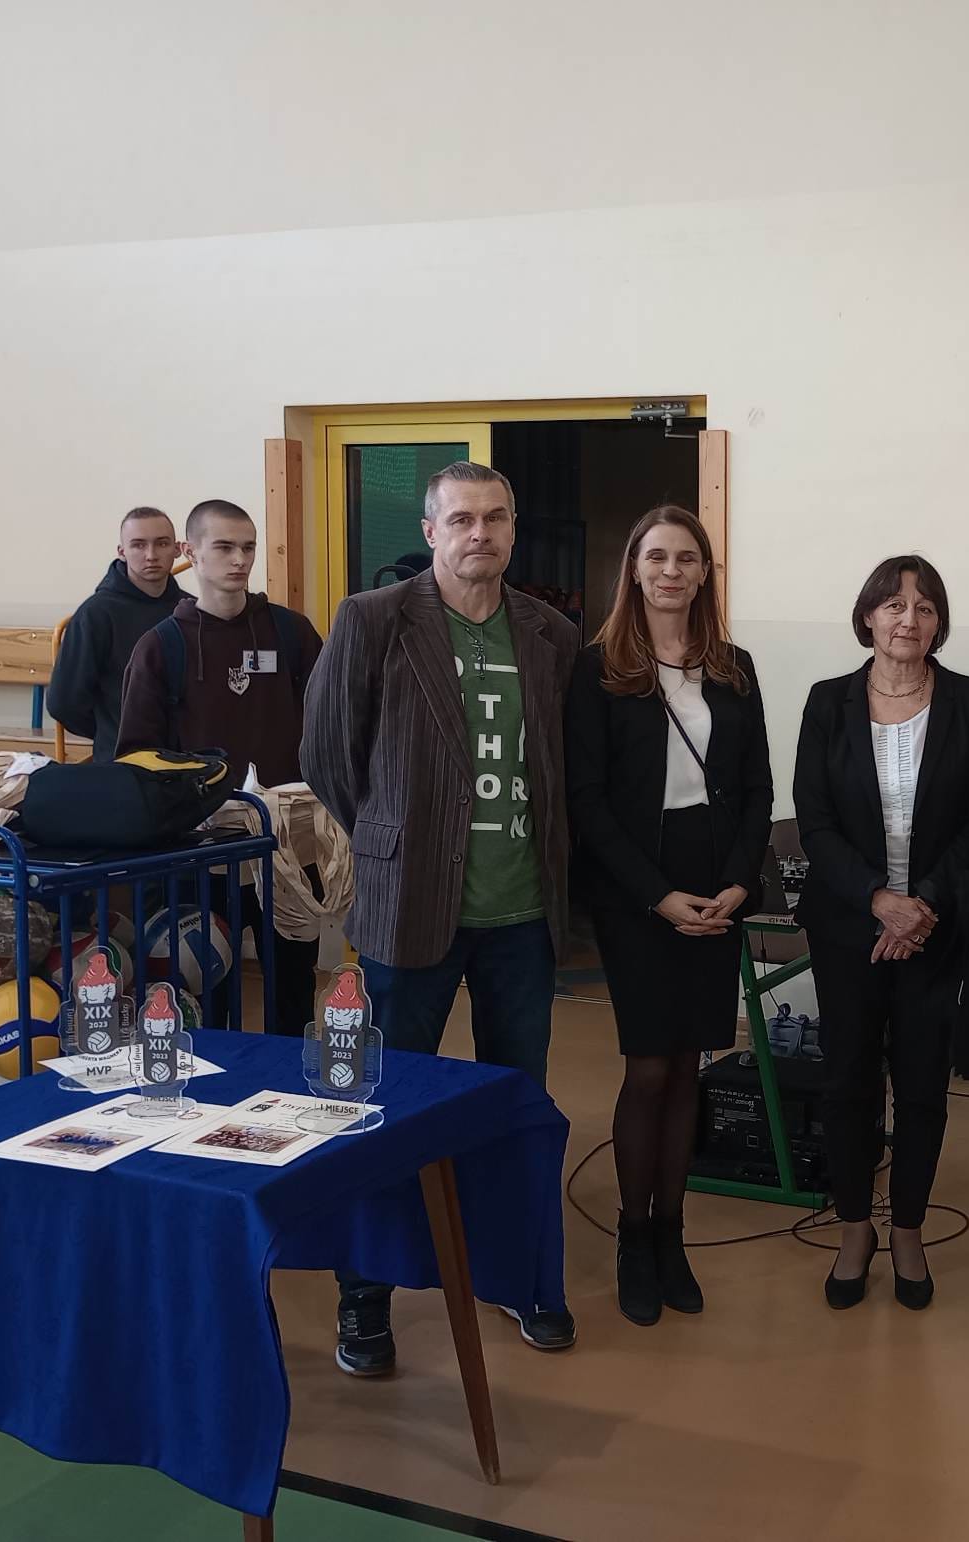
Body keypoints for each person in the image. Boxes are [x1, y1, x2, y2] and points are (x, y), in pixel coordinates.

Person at [302, 461, 581, 1366]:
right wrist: (389, 837)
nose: (480, 533)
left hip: (521, 916)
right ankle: (364, 1296)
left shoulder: (550, 634)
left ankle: (520, 1275)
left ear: (513, 529)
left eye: (495, 517)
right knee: (381, 1105)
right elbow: (328, 753)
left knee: (514, 1107)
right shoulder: (374, 620)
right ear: (430, 531)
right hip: (407, 912)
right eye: (461, 519)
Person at [564, 506, 773, 1328]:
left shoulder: (733, 666)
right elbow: (588, 800)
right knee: (649, 1067)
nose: (671, 572)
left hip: (715, 880)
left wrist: (739, 883)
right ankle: (632, 1237)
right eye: (656, 557)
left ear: (705, 573)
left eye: (687, 559)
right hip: (636, 888)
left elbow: (756, 787)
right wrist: (656, 895)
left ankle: (672, 1237)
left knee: (690, 1067)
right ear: (635, 569)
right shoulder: (599, 668)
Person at [792, 556, 969, 1310]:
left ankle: (908, 1228)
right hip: (849, 925)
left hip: (934, 930)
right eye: (893, 604)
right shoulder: (828, 701)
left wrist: (922, 907)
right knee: (847, 1079)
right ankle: (855, 1227)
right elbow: (814, 819)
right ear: (867, 617)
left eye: (924, 607)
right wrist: (880, 900)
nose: (908, 619)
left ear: (939, 622)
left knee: (921, 1085)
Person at [116, 500, 324, 1041]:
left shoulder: (292, 633)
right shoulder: (161, 646)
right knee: (205, 996)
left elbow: (332, 729)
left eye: (248, 547)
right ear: (190, 552)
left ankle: (287, 1087)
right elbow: (136, 757)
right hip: (200, 857)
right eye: (225, 547)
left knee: (292, 991)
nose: (239, 560)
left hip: (287, 848)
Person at [49, 507, 184, 761]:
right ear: (122, 552)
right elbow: (64, 703)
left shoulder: (190, 610)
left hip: (187, 759)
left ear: (177, 549)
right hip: (121, 761)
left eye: (162, 543)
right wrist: (112, 731)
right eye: (138, 545)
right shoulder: (95, 614)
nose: (151, 555)